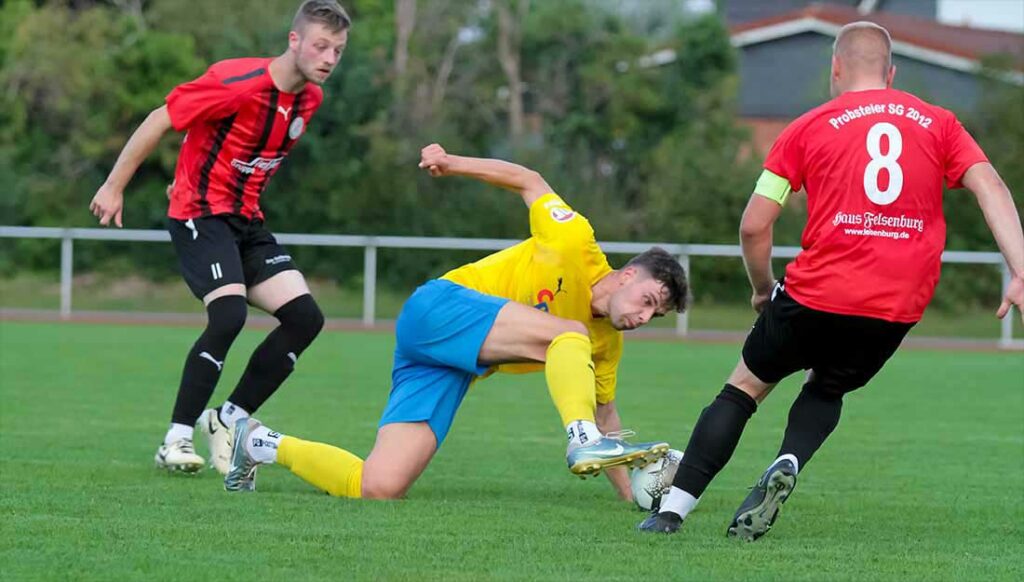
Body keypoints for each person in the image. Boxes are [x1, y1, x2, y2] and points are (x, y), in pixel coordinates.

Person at [639, 21, 1024, 539]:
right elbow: (991, 186)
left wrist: (761, 287)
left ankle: (671, 512)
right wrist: (1020, 269)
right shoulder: (941, 124)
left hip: (816, 292)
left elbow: (754, 224)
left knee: (743, 390)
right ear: (891, 72)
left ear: (836, 69)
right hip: (897, 305)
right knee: (826, 387)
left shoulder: (805, 127)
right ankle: (790, 460)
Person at [222, 143, 690, 500]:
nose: (643, 317)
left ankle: (258, 442)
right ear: (628, 275)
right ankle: (576, 437)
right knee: (571, 335)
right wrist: (452, 162)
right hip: (439, 308)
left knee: (380, 485)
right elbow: (529, 179)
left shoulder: (606, 344)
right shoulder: (573, 240)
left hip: (451, 361)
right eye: (647, 300)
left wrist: (633, 495)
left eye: (655, 315)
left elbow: (605, 414)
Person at [88, 1, 352, 475]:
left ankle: (227, 420)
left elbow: (241, 153)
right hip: (199, 215)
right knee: (228, 315)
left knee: (305, 318)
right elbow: (161, 118)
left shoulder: (309, 100)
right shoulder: (238, 83)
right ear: (294, 41)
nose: (330, 57)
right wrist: (114, 185)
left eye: (337, 49)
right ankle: (176, 439)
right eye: (320, 45)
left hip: (246, 222)